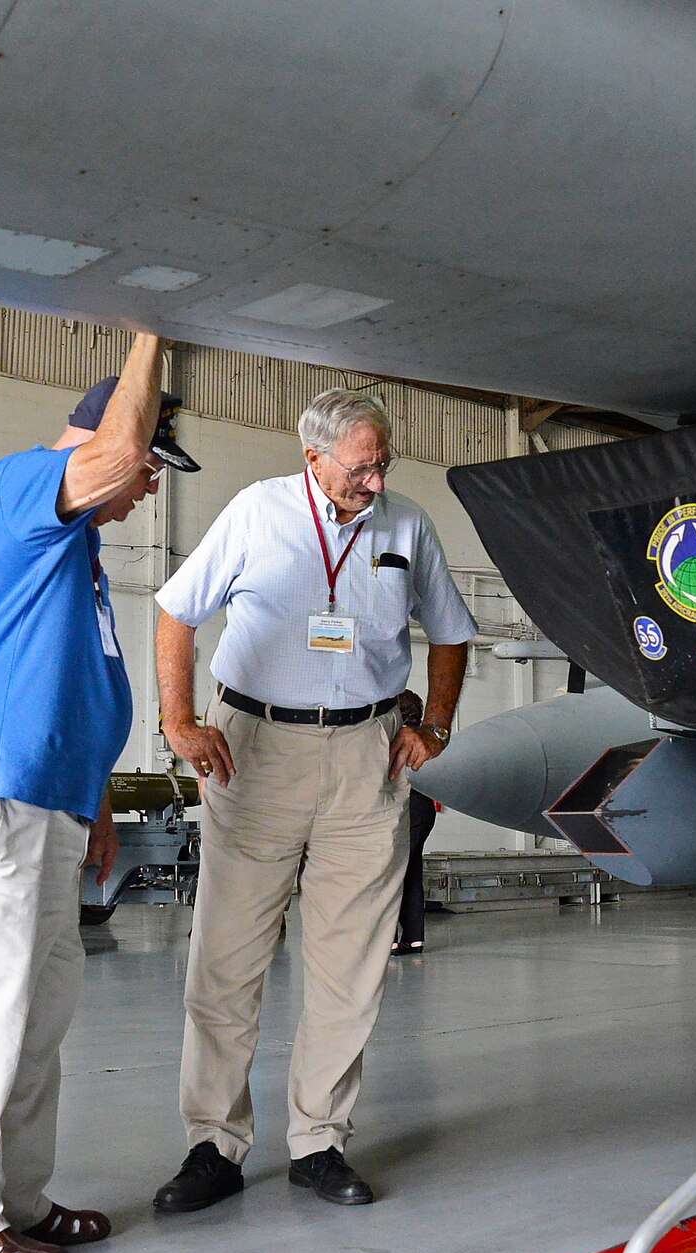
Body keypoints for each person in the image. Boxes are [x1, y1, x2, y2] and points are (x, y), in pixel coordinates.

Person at [0, 333, 198, 1253]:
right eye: (151, 462)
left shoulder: (79, 552)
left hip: (52, 803)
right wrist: (154, 326)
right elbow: (107, 458)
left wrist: (96, 794)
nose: (150, 485)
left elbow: (70, 681)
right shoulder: (21, 488)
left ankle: (14, 1201)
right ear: (101, 438)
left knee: (35, 1017)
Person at [151, 387, 476, 1211]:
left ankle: (320, 1141)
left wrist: (434, 724)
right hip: (254, 751)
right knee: (226, 958)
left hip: (368, 752)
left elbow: (451, 629)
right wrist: (179, 721)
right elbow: (176, 612)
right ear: (313, 459)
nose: (375, 479)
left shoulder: (405, 524)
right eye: (360, 465)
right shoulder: (257, 514)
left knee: (350, 965)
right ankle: (212, 1146)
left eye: (382, 462)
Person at [393, 690, 437, 955]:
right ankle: (414, 937)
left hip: (403, 809)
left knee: (391, 873)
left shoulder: (397, 740)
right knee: (412, 872)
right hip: (424, 810)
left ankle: (389, 938)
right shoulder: (427, 741)